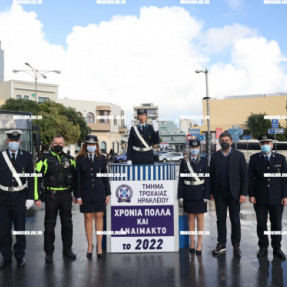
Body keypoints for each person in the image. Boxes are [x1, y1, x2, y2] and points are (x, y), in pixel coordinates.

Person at [0, 130, 39, 269]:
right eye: (12, 141)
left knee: (20, 229)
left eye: (16, 141)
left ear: (20, 142)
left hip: (20, 198)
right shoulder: (1, 156)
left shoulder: (27, 157)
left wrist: (30, 198)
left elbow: (31, 178)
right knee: (3, 230)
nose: (14, 143)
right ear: (7, 142)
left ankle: (20, 255)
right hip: (2, 199)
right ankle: (6, 256)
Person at [34, 135, 77, 263]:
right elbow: (37, 179)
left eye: (61, 142)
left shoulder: (71, 159)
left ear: (64, 144)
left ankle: (67, 250)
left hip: (66, 195)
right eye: (56, 142)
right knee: (49, 226)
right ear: (52, 144)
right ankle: (49, 252)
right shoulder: (43, 159)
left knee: (67, 224)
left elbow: (76, 180)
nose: (58, 144)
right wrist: (36, 197)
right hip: (51, 196)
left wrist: (76, 194)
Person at [249, 134, 287, 260]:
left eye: (267, 143)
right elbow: (251, 179)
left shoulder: (281, 158)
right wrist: (252, 194)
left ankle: (277, 248)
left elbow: (284, 179)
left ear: (272, 144)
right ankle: (263, 247)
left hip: (277, 197)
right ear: (260, 145)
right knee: (261, 224)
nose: (265, 145)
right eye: (263, 143)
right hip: (260, 197)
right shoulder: (254, 159)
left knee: (276, 224)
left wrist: (285, 196)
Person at [210, 132, 248, 256]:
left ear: (231, 141)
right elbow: (211, 176)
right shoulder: (215, 156)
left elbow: (244, 176)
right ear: (219, 142)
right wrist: (211, 192)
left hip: (235, 194)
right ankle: (221, 244)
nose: (224, 142)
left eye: (226, 140)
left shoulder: (239, 155)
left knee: (235, 220)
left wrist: (243, 194)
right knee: (220, 220)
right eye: (222, 140)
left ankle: (236, 245)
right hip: (219, 193)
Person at [75, 135, 111, 258]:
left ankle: (99, 245)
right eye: (89, 144)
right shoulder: (79, 159)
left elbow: (105, 176)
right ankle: (90, 245)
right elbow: (78, 179)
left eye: (93, 144)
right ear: (85, 145)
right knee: (88, 217)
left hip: (99, 192)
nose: (91, 146)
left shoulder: (102, 158)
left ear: (96, 145)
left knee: (99, 217)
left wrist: (108, 193)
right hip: (85, 193)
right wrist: (78, 195)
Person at [178, 140, 210, 255]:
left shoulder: (205, 160)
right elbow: (181, 179)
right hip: (188, 193)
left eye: (196, 147)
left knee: (200, 218)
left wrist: (206, 194)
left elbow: (207, 178)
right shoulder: (183, 161)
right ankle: (192, 241)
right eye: (192, 147)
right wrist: (180, 195)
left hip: (200, 193)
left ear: (199, 148)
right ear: (189, 148)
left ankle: (199, 243)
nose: (194, 149)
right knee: (190, 218)